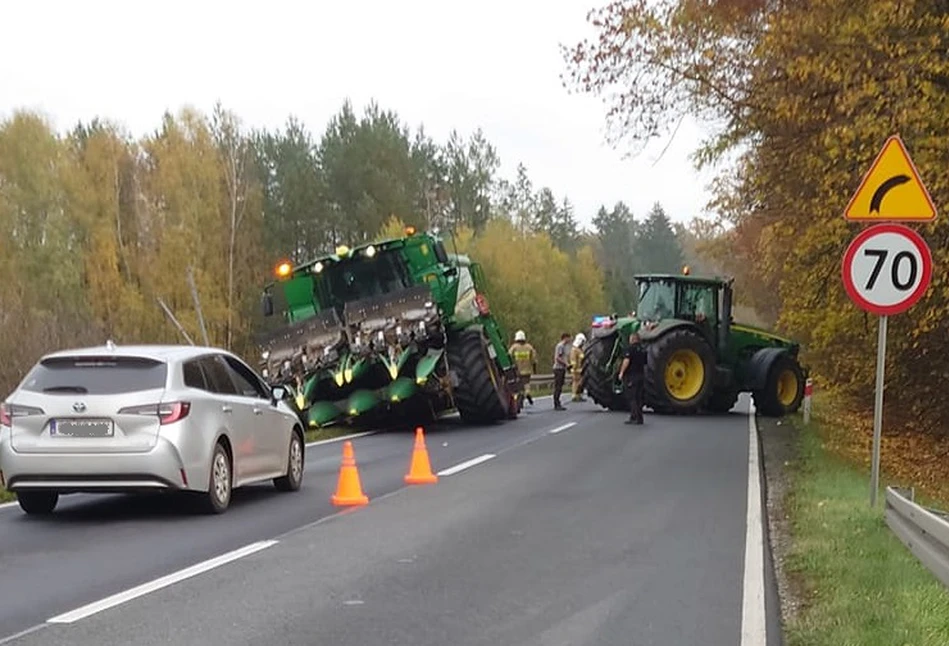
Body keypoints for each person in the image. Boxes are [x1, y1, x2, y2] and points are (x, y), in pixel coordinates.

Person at [617, 332, 647, 424]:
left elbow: (626, 361)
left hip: (631, 376)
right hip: (641, 375)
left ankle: (635, 417)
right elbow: (645, 363)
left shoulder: (630, 349)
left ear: (633, 339)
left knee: (632, 398)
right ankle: (639, 417)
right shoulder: (643, 350)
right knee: (639, 397)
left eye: (630, 338)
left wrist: (621, 372)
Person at [508, 330, 537, 405]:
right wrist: (534, 369)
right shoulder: (529, 347)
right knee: (526, 384)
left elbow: (508, 356)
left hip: (517, 370)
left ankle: (519, 401)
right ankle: (527, 393)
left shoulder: (514, 347)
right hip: (527, 370)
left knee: (519, 387)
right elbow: (534, 360)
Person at [552, 332, 571, 411]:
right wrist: (567, 364)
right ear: (565, 338)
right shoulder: (561, 346)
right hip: (558, 368)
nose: (570, 339)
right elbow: (558, 358)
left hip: (561, 369)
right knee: (558, 386)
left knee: (559, 386)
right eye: (569, 338)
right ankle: (556, 403)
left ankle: (557, 402)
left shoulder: (564, 346)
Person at [569, 332, 587, 402]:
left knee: (580, 383)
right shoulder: (574, 350)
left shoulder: (580, 350)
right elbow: (573, 360)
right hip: (576, 370)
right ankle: (574, 395)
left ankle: (579, 395)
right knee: (575, 382)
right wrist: (574, 368)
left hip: (581, 370)